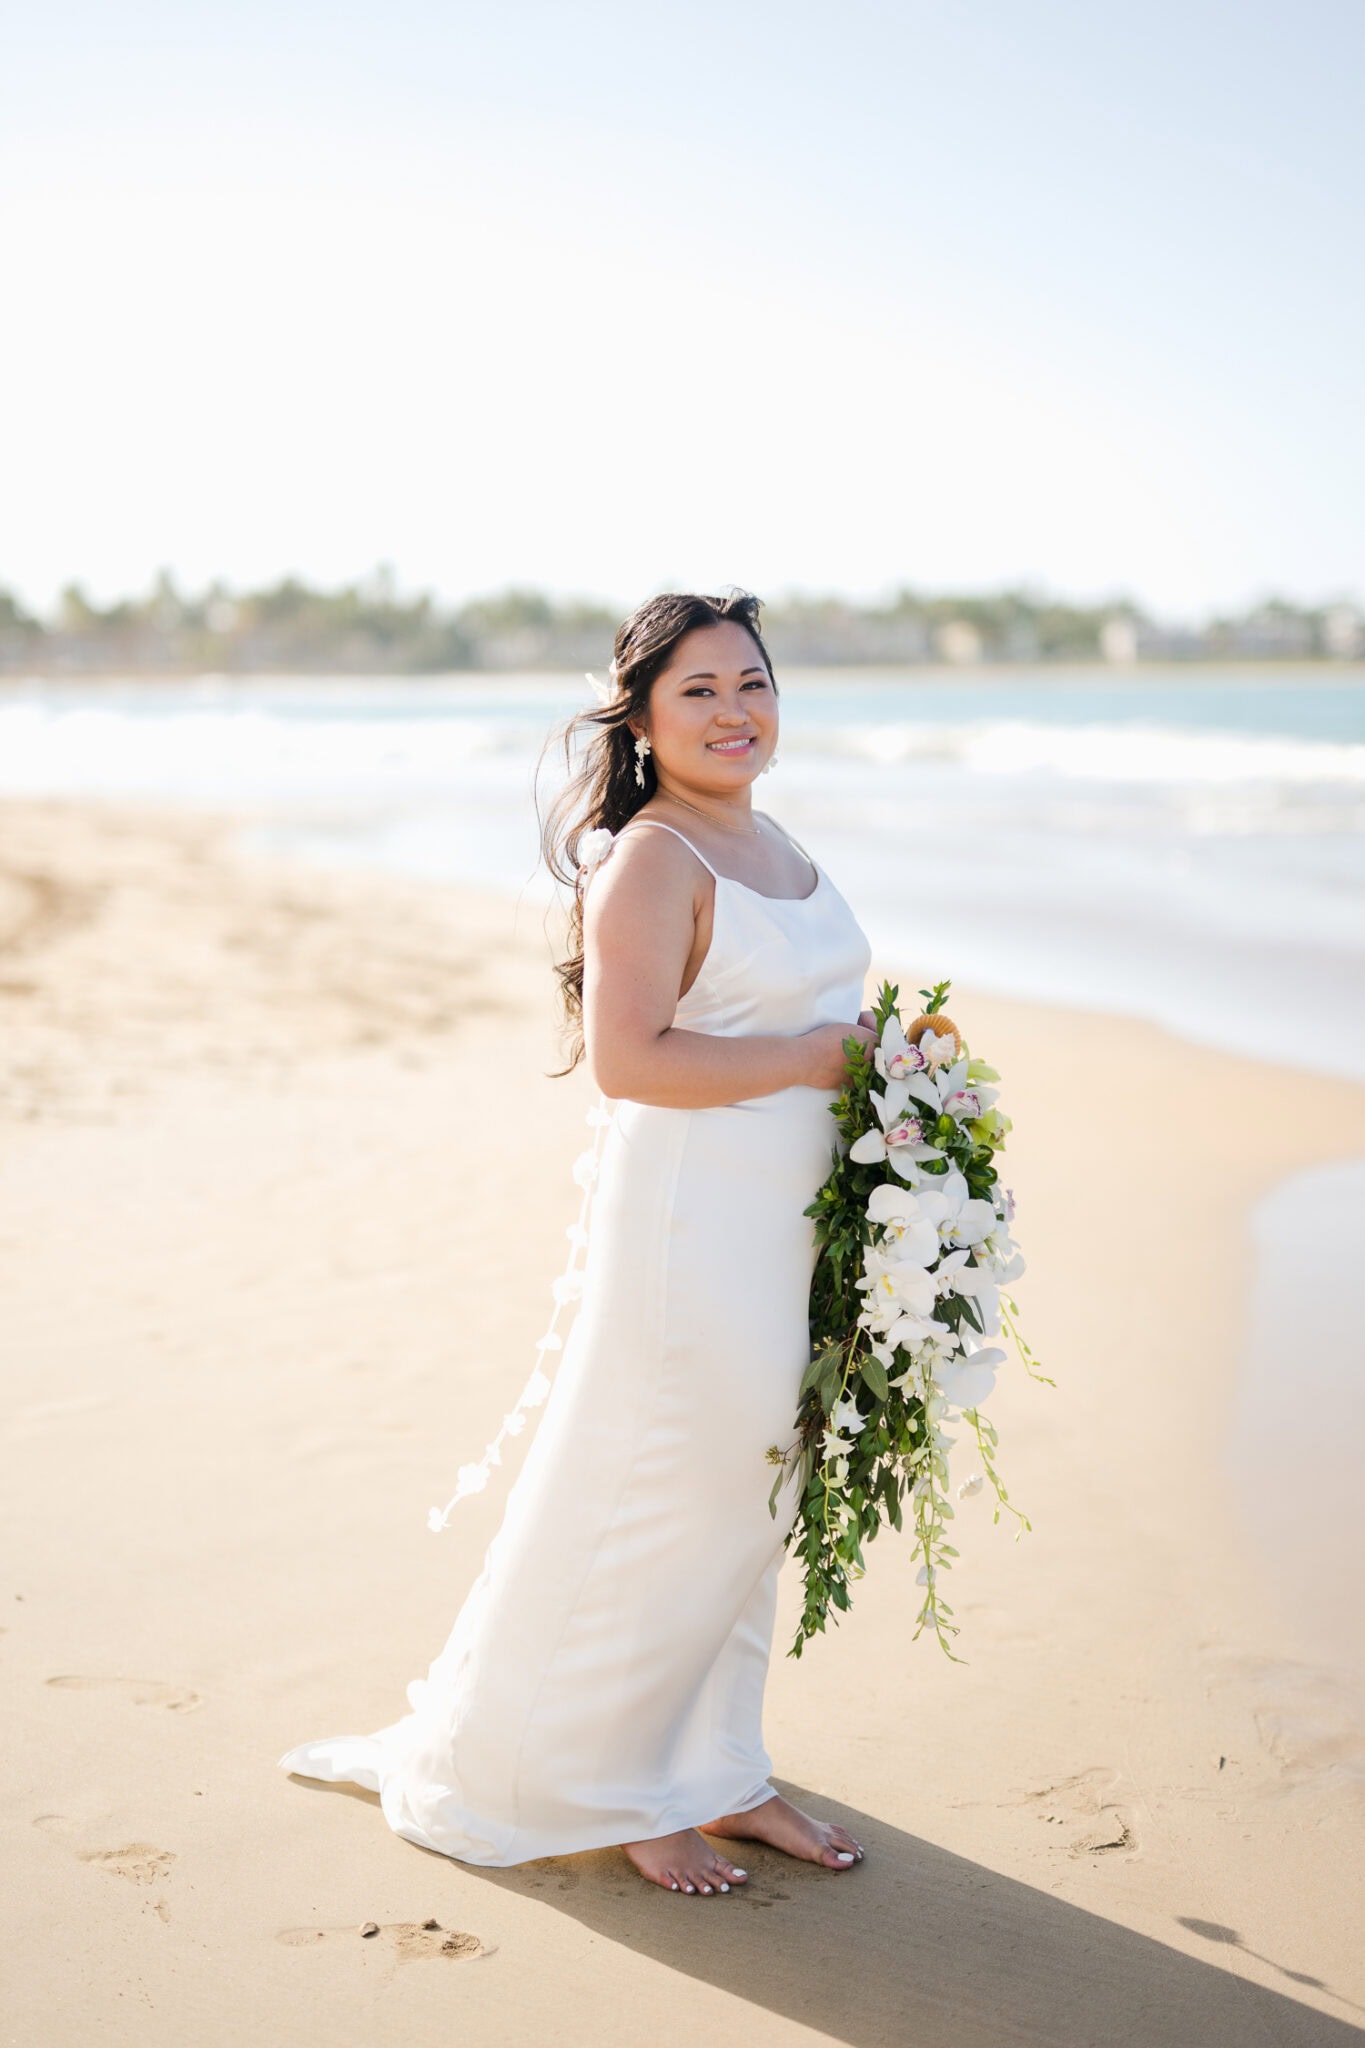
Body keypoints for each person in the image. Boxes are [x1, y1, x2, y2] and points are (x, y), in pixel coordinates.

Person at [278, 589, 878, 1896]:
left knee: (752, 1490)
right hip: (691, 1225)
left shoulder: (772, 837)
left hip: (786, 1219)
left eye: (753, 683)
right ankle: (605, 1784)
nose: (735, 711)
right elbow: (629, 1061)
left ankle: (716, 1768)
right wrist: (822, 1057)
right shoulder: (654, 857)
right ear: (645, 723)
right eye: (700, 692)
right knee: (665, 1481)